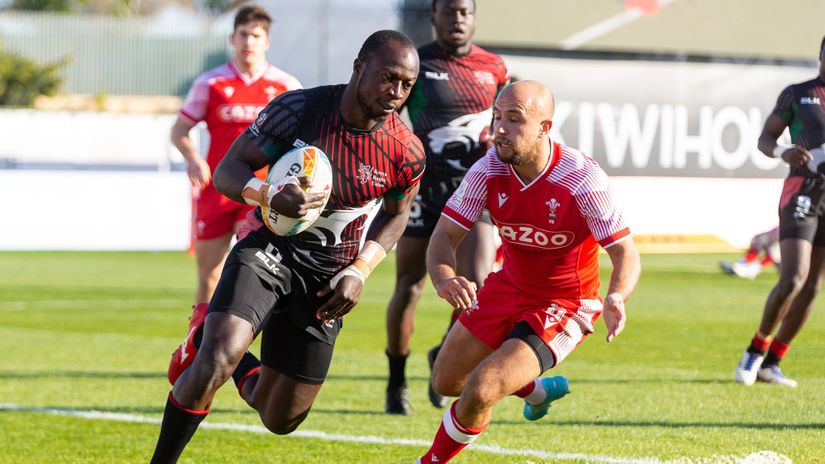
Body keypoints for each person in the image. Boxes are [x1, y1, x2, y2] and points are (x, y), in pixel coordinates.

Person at [151, 29, 425, 463]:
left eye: (406, 84)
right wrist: (266, 194)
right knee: (217, 359)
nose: (395, 92)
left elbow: (396, 215)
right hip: (269, 250)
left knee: (280, 418)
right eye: (387, 77)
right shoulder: (299, 109)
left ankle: (202, 333)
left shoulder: (405, 151)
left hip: (328, 280)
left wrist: (359, 271)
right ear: (359, 67)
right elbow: (228, 170)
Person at [415, 81, 640, 464]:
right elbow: (444, 236)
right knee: (446, 380)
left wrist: (617, 295)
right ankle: (535, 390)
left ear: (544, 128)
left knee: (482, 389)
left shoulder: (582, 178)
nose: (500, 128)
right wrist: (444, 277)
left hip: (566, 304)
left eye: (515, 119)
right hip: (507, 287)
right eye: (497, 117)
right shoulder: (487, 169)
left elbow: (625, 252)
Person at [384, 0, 509, 415]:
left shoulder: (494, 67)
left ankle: (442, 354)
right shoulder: (416, 63)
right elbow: (388, 119)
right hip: (422, 190)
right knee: (410, 286)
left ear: (473, 18)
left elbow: (504, 123)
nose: (457, 19)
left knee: (478, 286)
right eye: (449, 11)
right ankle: (396, 380)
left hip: (473, 191)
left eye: (464, 12)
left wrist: (497, 141)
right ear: (434, 16)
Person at [171, 5, 301, 310]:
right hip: (217, 188)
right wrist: (192, 158)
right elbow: (179, 130)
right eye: (243, 34)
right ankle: (200, 336)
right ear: (233, 38)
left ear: (267, 42)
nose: (248, 42)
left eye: (255, 36)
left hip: (263, 192)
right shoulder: (210, 83)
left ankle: (247, 335)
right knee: (209, 275)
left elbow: (302, 139)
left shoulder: (286, 87)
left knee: (257, 272)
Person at [734, 36, 825, 388]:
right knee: (794, 278)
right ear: (820, 55)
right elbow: (765, 140)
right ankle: (754, 351)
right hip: (802, 191)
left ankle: (772, 364)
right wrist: (783, 151)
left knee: (812, 288)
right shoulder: (798, 94)